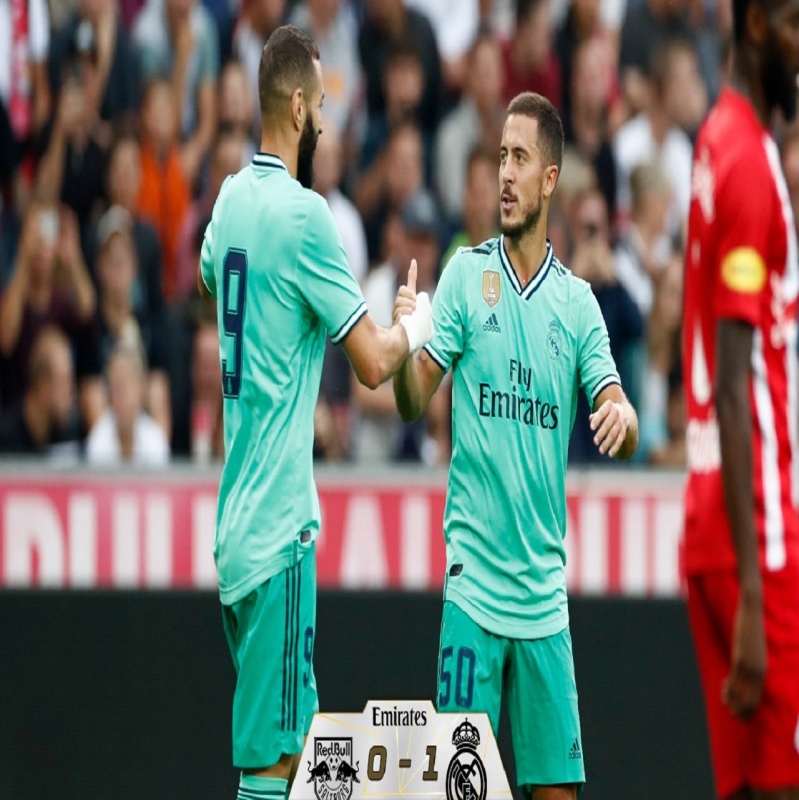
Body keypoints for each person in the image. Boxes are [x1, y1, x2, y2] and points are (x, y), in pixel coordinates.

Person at [197, 25, 433, 800]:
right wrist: (415, 327)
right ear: (298, 107)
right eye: (323, 105)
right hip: (278, 530)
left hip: (235, 527)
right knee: (273, 763)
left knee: (301, 753)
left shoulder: (230, 200)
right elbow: (372, 364)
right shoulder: (306, 218)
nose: (327, 122)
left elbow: (210, 277)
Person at [393, 92, 638, 800]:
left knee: (557, 793)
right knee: (458, 788)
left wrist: (621, 420)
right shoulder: (466, 278)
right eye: (501, 156)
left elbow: (616, 406)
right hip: (472, 589)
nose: (504, 172)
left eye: (520, 158)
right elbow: (411, 399)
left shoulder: (578, 304)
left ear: (550, 178)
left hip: (543, 601)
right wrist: (406, 338)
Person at [681, 0, 799, 796]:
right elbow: (732, 383)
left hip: (711, 521)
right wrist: (756, 593)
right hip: (755, 536)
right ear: (754, 24)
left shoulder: (714, 139)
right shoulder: (751, 167)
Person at [85, 344, 170, 466]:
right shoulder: (98, 440)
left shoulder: (155, 440)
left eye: (125, 387)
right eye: (115, 388)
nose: (120, 397)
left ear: (141, 389)